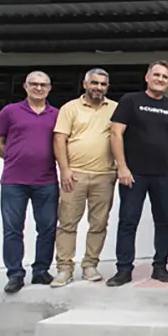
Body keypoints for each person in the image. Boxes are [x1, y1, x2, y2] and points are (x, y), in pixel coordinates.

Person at [106, 61, 168, 287]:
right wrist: (122, 167)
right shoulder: (130, 101)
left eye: (164, 77)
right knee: (128, 221)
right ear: (147, 77)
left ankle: (160, 267)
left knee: (164, 223)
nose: (160, 79)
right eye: (156, 75)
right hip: (134, 174)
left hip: (164, 175)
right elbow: (115, 133)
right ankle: (123, 269)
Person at [0, 70, 59, 294]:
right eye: (34, 84)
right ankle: (15, 274)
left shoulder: (57, 114)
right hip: (14, 181)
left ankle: (41, 271)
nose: (39, 88)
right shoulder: (10, 111)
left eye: (43, 85)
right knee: (12, 229)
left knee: (47, 228)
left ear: (49, 89)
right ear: (25, 87)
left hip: (46, 180)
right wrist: (13, 158)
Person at [50, 68, 118, 287]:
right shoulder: (70, 108)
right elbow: (59, 139)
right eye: (94, 83)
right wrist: (64, 169)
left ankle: (90, 265)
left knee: (99, 223)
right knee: (67, 223)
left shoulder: (115, 108)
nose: (98, 88)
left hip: (104, 175)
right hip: (74, 175)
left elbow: (121, 136)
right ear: (85, 84)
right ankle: (64, 269)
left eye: (103, 84)